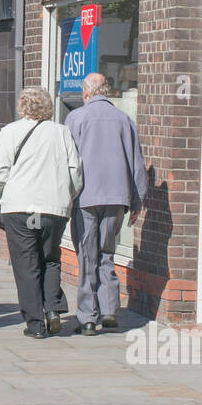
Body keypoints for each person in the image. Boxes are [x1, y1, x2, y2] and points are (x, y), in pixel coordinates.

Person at [0, 87, 83, 339]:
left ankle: (35, 324)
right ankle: (52, 309)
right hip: (54, 208)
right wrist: (67, 197)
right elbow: (75, 171)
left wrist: (5, 194)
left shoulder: (9, 132)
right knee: (50, 259)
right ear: (48, 107)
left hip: (19, 208)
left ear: (22, 106)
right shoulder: (62, 132)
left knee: (26, 265)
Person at [65, 73, 148, 335]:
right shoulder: (124, 119)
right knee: (106, 252)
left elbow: (68, 161)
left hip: (85, 197)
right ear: (107, 92)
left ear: (86, 93)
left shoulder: (75, 118)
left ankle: (88, 317)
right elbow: (136, 163)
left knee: (87, 255)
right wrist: (137, 202)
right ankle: (110, 309)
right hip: (116, 197)